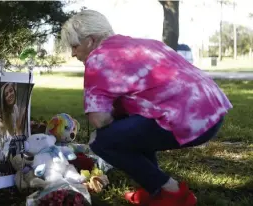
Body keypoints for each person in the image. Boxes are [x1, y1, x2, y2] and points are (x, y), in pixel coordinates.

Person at [60, 10, 232, 206]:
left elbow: (99, 119)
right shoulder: (146, 43)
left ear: (90, 41)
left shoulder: (98, 57)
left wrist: (114, 121)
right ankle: (155, 189)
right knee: (128, 126)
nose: (73, 53)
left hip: (190, 120)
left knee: (101, 140)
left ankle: (172, 192)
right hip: (213, 112)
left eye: (74, 46)